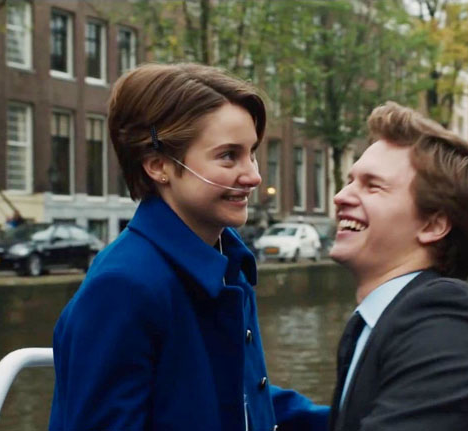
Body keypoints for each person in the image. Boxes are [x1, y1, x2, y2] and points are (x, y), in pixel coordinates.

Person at [49, 63, 328, 431]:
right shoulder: (122, 288)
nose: (254, 176)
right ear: (158, 166)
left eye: (252, 153)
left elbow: (235, 395)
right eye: (228, 155)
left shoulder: (227, 262)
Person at [328, 101, 468, 431]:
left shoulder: (451, 327)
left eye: (372, 185)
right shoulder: (379, 323)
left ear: (433, 225)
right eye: (350, 180)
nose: (341, 196)